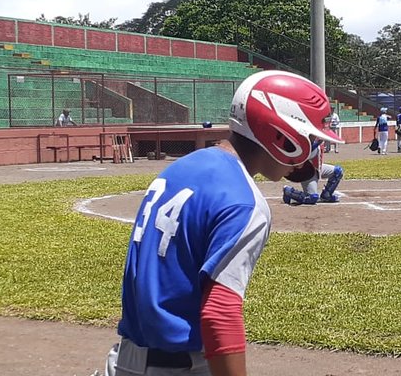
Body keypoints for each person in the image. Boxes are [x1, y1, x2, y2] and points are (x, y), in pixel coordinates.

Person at [104, 70, 342, 376]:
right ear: (282, 135)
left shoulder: (183, 167)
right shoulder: (244, 201)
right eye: (310, 139)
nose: (313, 150)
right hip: (179, 367)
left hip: (127, 361)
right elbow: (220, 312)